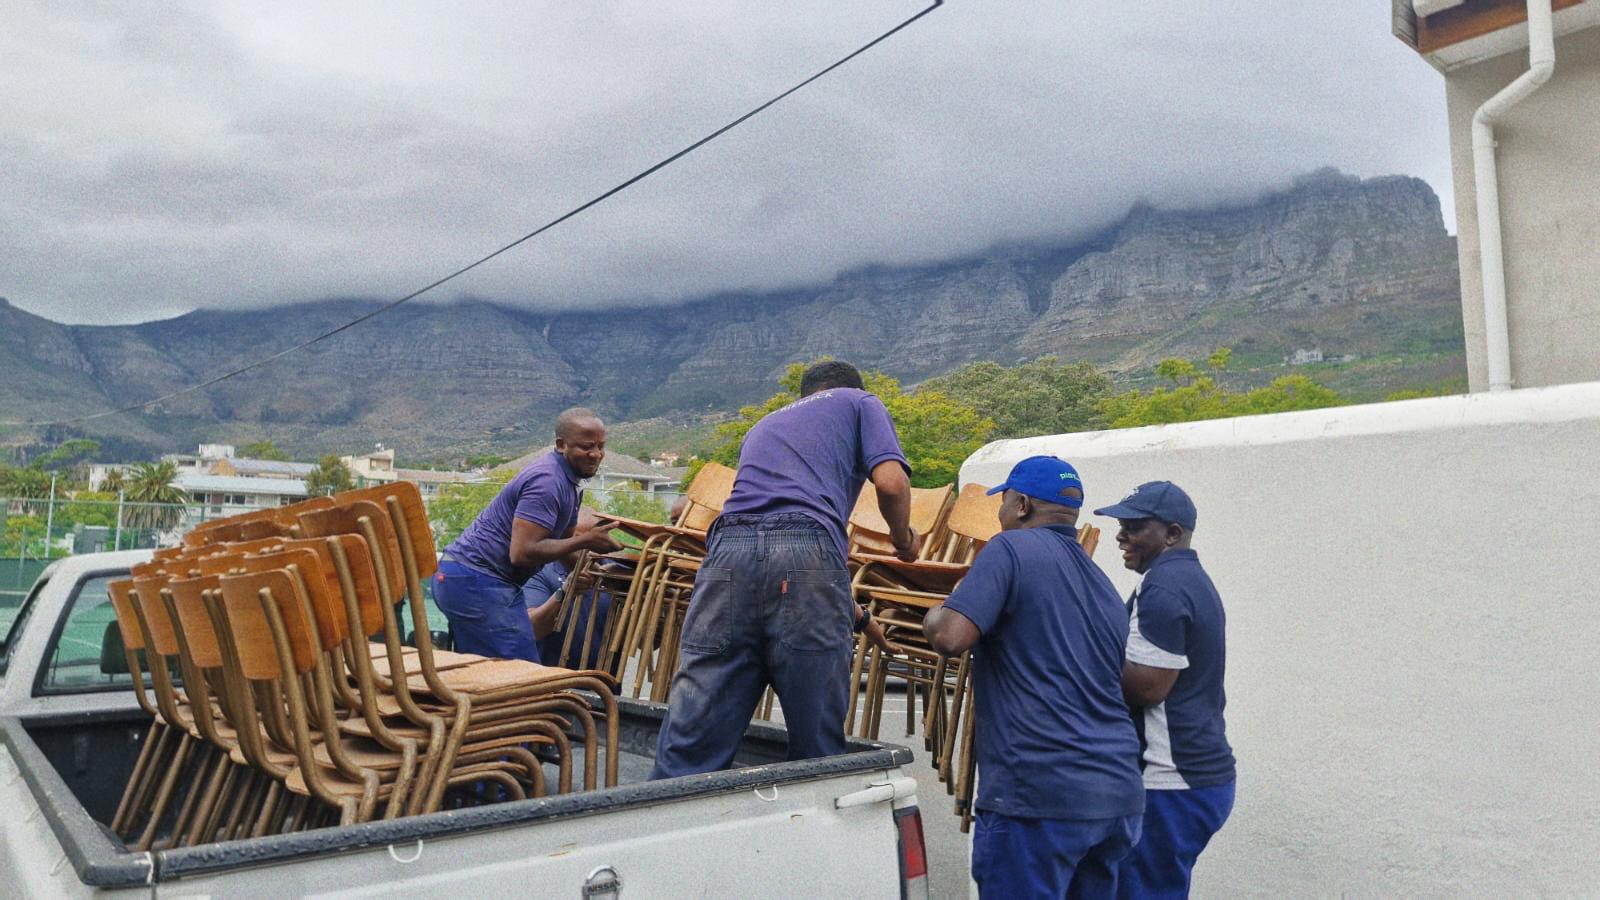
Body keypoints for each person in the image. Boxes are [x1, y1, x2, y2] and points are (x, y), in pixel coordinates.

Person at [650, 360, 918, 778]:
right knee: (816, 747)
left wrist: (860, 618)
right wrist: (903, 540)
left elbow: (767, 556)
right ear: (850, 387)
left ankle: (666, 811)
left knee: (693, 738)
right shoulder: (860, 401)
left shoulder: (764, 425)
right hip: (807, 552)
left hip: (727, 551)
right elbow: (890, 483)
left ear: (805, 395)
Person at [922, 455, 1144, 900]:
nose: (1001, 514)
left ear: (1021, 505)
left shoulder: (1009, 548)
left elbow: (950, 636)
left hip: (1039, 796)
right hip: (1116, 797)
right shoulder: (1101, 582)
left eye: (1003, 502)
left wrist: (934, 613)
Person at [1093, 481, 1235, 900]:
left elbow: (1148, 687)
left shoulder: (1164, 587)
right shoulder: (1185, 578)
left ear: (1172, 534)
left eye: (1134, 527)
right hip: (1196, 777)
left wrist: (1081, 662)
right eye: (1121, 525)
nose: (1121, 536)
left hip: (1171, 780)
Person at [433, 408, 622, 662]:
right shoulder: (547, 482)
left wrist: (607, 576)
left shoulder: (570, 484)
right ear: (561, 445)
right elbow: (522, 553)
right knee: (517, 671)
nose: (596, 454)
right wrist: (587, 539)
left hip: (486, 582)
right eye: (586, 447)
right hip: (474, 579)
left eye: (601, 446)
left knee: (499, 670)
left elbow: (564, 547)